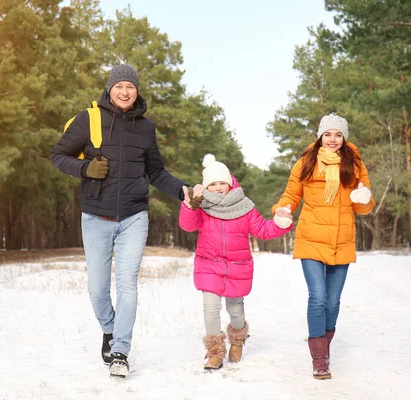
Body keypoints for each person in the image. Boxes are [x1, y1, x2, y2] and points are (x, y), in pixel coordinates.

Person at [50, 64, 188, 378]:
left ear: (136, 91)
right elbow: (58, 156)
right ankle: (109, 330)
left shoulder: (146, 127)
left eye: (130, 86)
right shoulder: (89, 119)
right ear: (110, 90)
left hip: (133, 216)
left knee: (127, 285)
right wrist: (85, 170)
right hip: (95, 216)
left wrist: (183, 190)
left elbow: (156, 172)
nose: (125, 92)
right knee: (97, 289)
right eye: (119, 86)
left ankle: (121, 350)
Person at [272, 113, 375, 380]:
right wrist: (282, 210)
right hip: (311, 237)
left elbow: (363, 206)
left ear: (344, 137)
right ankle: (319, 359)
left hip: (341, 239)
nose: (332, 139)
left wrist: (363, 199)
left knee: (333, 301)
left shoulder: (354, 165)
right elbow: (292, 194)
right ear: (320, 136)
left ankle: (324, 346)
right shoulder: (306, 162)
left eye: (338, 134)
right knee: (317, 298)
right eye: (328, 134)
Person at [179, 154, 294, 370]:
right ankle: (214, 351)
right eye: (213, 184)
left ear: (230, 183)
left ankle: (238, 339)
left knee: (235, 309)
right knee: (210, 308)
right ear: (207, 186)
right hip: (209, 265)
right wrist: (189, 206)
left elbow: (263, 229)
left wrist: (281, 223)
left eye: (222, 182)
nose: (218, 187)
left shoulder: (245, 206)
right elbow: (188, 226)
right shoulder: (201, 205)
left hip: (237, 265)